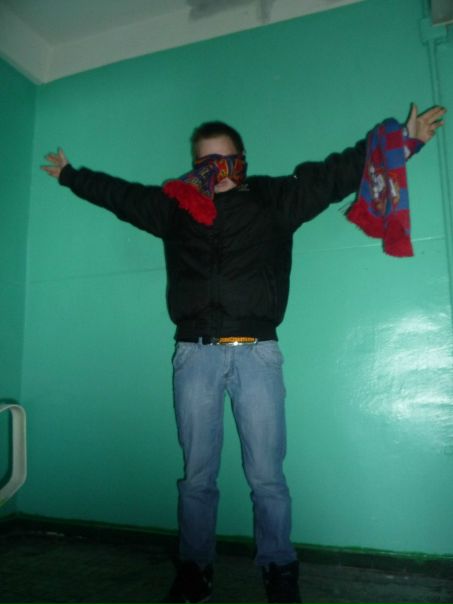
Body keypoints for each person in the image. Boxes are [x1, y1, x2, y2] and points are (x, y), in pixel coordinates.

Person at [42, 103, 445, 604]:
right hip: (195, 357)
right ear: (194, 165)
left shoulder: (275, 199)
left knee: (267, 477)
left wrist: (405, 140)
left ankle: (279, 568)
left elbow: (336, 174)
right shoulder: (176, 207)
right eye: (204, 162)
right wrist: (71, 175)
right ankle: (195, 570)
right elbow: (121, 196)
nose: (215, 170)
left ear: (242, 159)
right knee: (197, 477)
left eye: (224, 159)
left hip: (257, 356)